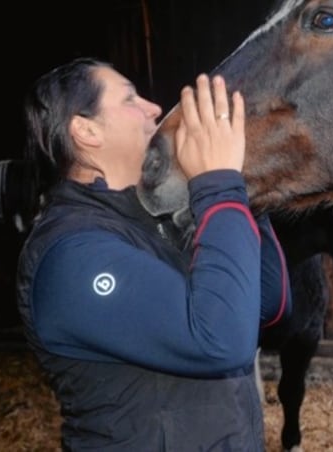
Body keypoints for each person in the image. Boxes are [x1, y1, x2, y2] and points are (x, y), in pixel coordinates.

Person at [16, 57, 291, 451]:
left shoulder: (159, 220)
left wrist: (242, 187)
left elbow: (270, 305)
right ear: (86, 130)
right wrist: (219, 185)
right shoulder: (72, 254)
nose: (154, 108)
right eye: (130, 99)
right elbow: (221, 341)